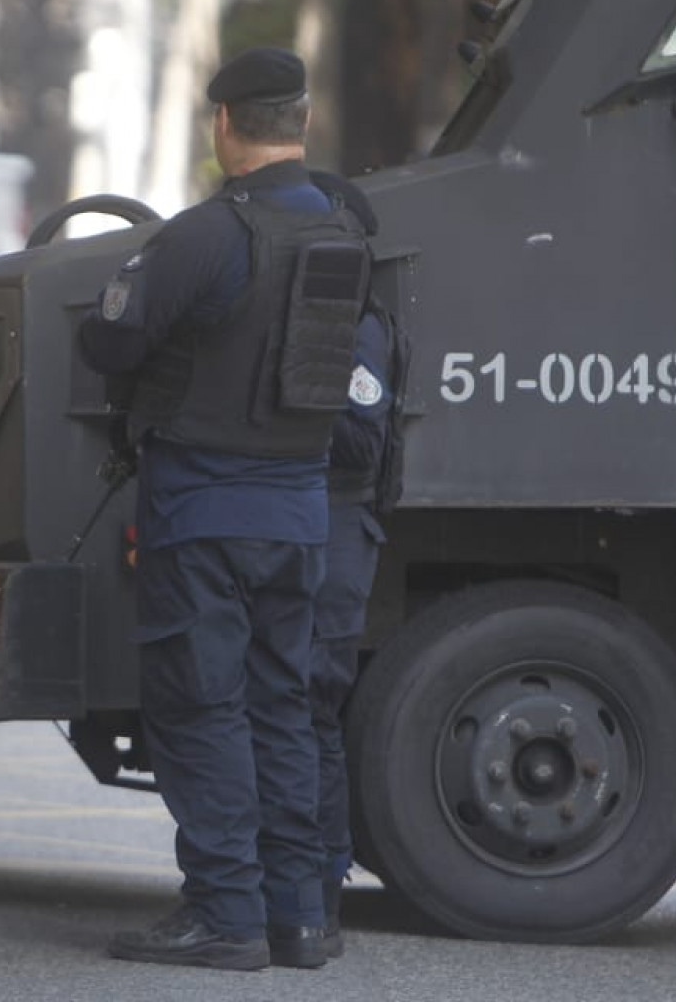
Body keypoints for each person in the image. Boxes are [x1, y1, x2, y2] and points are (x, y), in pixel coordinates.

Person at [77, 47, 371, 972]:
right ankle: (296, 918)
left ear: (223, 125)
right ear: (301, 125)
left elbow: (113, 339)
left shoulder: (208, 235)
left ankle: (225, 914)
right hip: (300, 514)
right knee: (282, 711)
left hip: (204, 512)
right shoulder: (341, 231)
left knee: (202, 709)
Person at [306, 171, 406, 960]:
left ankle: (316, 888)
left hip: (335, 526)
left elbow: (356, 440)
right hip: (314, 525)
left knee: (308, 707)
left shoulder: (354, 327)